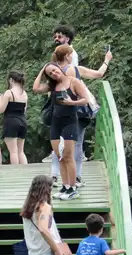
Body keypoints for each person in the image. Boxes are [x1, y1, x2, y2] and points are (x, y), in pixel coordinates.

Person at [47, 32, 113, 188]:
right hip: (78, 111)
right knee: (76, 145)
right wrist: (107, 60)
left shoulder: (53, 72)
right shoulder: (76, 69)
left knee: (59, 144)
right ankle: (76, 178)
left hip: (59, 112)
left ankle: (55, 176)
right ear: (68, 56)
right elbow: (99, 74)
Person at [33, 47, 94, 200]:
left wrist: (71, 102)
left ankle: (72, 188)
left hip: (70, 122)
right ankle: (65, 186)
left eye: (54, 70)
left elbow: (85, 100)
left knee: (68, 156)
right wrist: (43, 69)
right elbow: (35, 88)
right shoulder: (52, 86)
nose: (54, 73)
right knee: (60, 156)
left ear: (59, 68)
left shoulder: (73, 82)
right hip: (56, 123)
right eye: (50, 73)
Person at [0, 71, 28, 165]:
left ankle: (15, 171)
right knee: (21, 151)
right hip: (22, 121)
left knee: (13, 151)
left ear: (11, 80)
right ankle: (26, 170)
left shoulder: (9, 92)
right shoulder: (24, 93)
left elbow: (1, 110)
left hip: (11, 122)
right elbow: (24, 110)